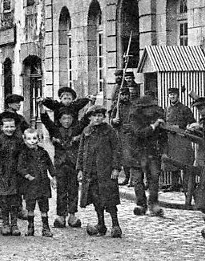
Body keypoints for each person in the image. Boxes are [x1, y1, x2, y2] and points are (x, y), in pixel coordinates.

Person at [77, 104, 123, 238]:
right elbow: (81, 151)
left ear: (104, 117)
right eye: (94, 116)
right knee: (96, 199)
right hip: (91, 171)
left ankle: (116, 225)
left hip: (106, 171)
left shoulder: (109, 130)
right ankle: (101, 224)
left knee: (110, 198)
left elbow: (116, 150)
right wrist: (79, 169)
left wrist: (116, 168)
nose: (97, 118)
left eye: (100, 116)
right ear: (90, 117)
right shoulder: (86, 131)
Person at [40, 104, 88, 228]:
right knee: (61, 191)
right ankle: (61, 215)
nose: (66, 121)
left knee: (73, 190)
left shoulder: (76, 129)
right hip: (60, 165)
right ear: (60, 120)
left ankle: (72, 215)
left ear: (72, 119)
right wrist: (41, 106)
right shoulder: (55, 129)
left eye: (69, 119)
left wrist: (91, 104)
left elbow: (85, 120)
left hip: (73, 165)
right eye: (64, 119)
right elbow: (46, 120)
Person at [125, 95, 167, 216]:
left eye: (152, 107)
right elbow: (140, 133)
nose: (150, 110)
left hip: (152, 152)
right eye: (148, 108)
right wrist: (153, 126)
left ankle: (153, 204)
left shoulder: (158, 117)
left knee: (153, 179)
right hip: (136, 151)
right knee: (137, 179)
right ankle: (140, 204)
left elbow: (163, 137)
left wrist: (164, 152)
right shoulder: (134, 117)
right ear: (142, 108)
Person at [0, 110, 24, 236]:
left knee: (15, 200)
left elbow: (22, 156)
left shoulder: (18, 140)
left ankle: (14, 224)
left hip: (14, 174)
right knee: (3, 200)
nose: (9, 129)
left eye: (12, 126)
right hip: (1, 174)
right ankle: (5, 224)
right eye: (7, 127)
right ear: (2, 127)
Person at [17, 128, 56, 237]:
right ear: (24, 140)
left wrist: (53, 177)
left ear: (38, 139)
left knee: (44, 207)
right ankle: (30, 227)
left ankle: (45, 227)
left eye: (34, 138)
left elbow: (50, 165)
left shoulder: (43, 152)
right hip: (30, 185)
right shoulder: (23, 153)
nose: (32, 141)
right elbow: (20, 167)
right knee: (30, 206)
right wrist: (27, 176)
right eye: (29, 139)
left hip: (43, 182)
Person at [163, 88, 196, 192]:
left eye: (174, 95)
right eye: (170, 95)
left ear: (178, 96)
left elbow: (192, 122)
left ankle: (186, 186)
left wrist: (181, 127)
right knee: (172, 162)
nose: (172, 97)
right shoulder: (167, 109)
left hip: (181, 139)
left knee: (184, 161)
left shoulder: (184, 109)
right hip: (171, 139)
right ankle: (174, 184)